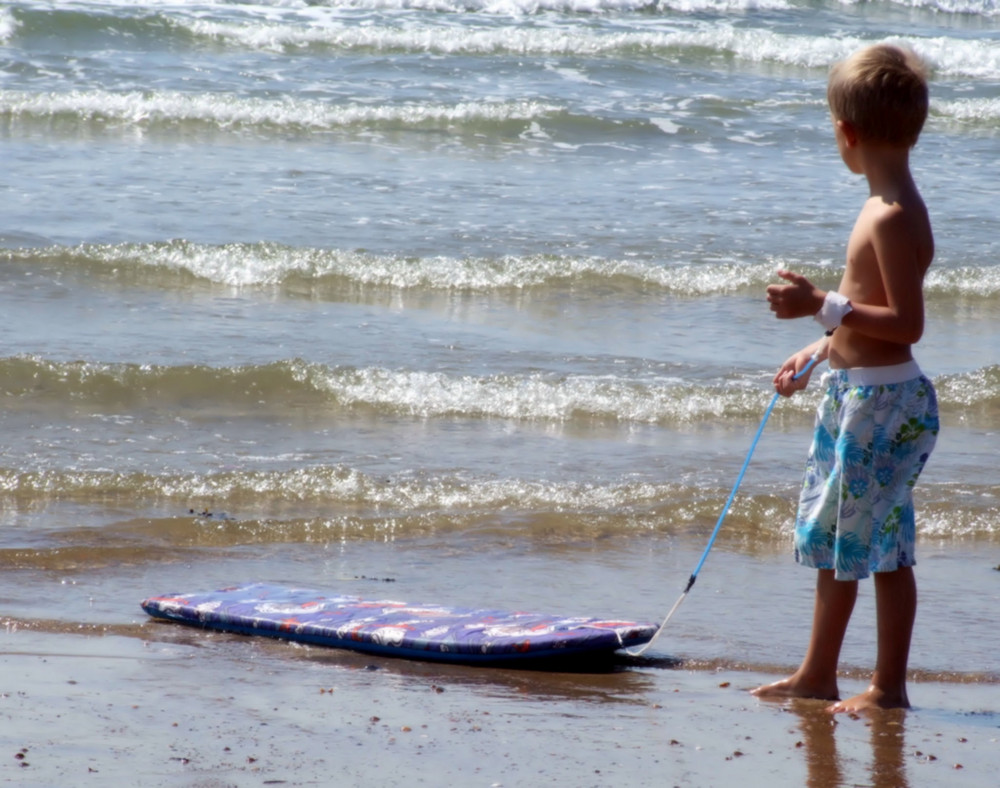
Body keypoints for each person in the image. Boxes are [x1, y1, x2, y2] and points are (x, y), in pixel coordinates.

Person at [751, 43, 940, 713]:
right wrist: (823, 345)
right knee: (837, 536)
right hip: (862, 392)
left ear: (846, 132)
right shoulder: (888, 203)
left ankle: (887, 687)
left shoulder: (890, 214)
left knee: (882, 546)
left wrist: (822, 306)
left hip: (885, 404)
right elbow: (869, 316)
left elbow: (908, 323)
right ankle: (817, 673)